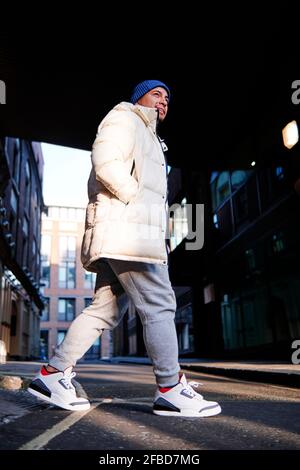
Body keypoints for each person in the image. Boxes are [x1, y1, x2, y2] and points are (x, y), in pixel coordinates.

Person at [28, 80, 221, 417]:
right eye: (156, 93)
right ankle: (170, 388)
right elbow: (105, 161)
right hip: (129, 235)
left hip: (123, 235)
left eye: (167, 97)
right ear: (139, 98)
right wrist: (134, 200)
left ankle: (53, 373)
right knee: (160, 303)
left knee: (105, 310)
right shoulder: (126, 117)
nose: (163, 100)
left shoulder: (150, 136)